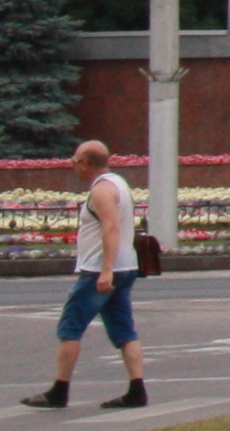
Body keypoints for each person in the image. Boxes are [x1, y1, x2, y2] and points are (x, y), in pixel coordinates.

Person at [23, 138, 147, 410]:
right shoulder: (120, 184)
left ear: (87, 163)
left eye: (76, 161)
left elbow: (111, 228)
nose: (73, 166)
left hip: (99, 270)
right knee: (124, 330)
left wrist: (105, 271)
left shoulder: (101, 191)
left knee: (70, 327)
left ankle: (59, 390)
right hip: (126, 266)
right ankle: (137, 389)